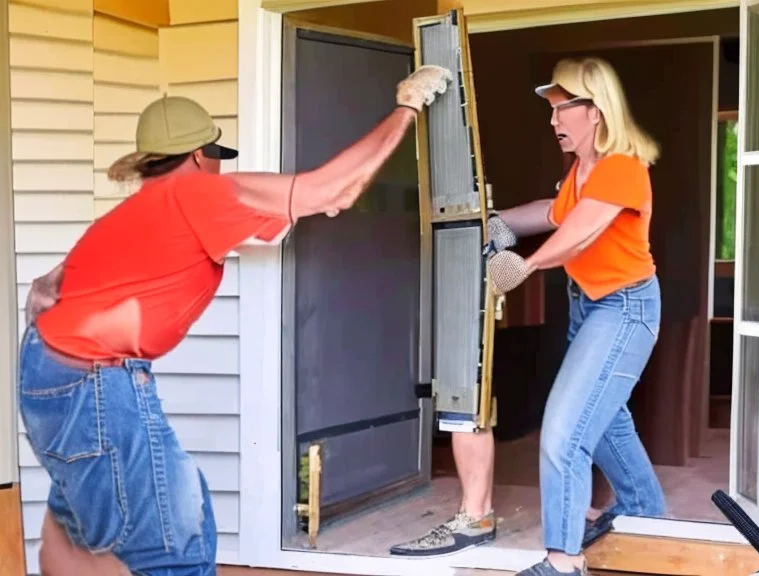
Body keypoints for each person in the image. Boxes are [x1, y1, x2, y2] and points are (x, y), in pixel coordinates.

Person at [18, 64, 452, 576]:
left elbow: (47, 288)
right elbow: (334, 190)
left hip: (47, 371)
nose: (222, 168)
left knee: (101, 529)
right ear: (201, 156)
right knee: (173, 546)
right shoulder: (200, 194)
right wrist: (406, 106)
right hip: (93, 382)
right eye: (218, 157)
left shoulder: (136, 212)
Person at [485, 56, 668, 576]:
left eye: (562, 108)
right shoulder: (581, 172)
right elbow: (554, 211)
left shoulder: (622, 168)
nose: (553, 120)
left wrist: (525, 264)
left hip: (624, 306)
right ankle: (647, 518)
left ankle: (563, 562)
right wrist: (497, 222)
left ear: (596, 111)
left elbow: (581, 230)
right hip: (588, 307)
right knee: (606, 421)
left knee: (564, 431)